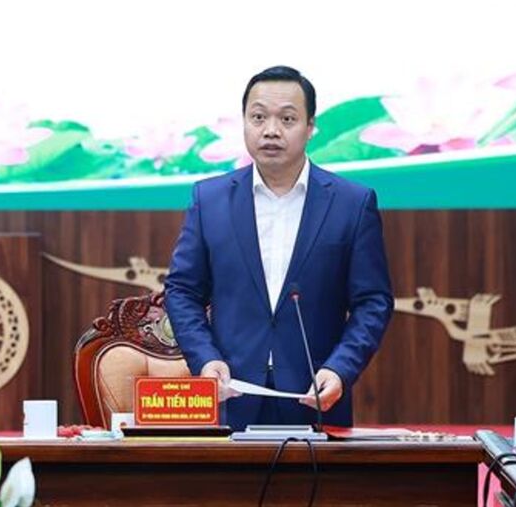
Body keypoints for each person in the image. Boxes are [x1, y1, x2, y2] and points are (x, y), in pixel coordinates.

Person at [164, 65, 393, 431]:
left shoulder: (352, 203)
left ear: (310, 127)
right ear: (244, 122)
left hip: (315, 398)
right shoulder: (210, 199)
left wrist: (340, 368)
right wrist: (205, 359)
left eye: (287, 119)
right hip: (230, 396)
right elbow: (182, 290)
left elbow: (373, 301)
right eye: (258, 117)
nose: (271, 130)